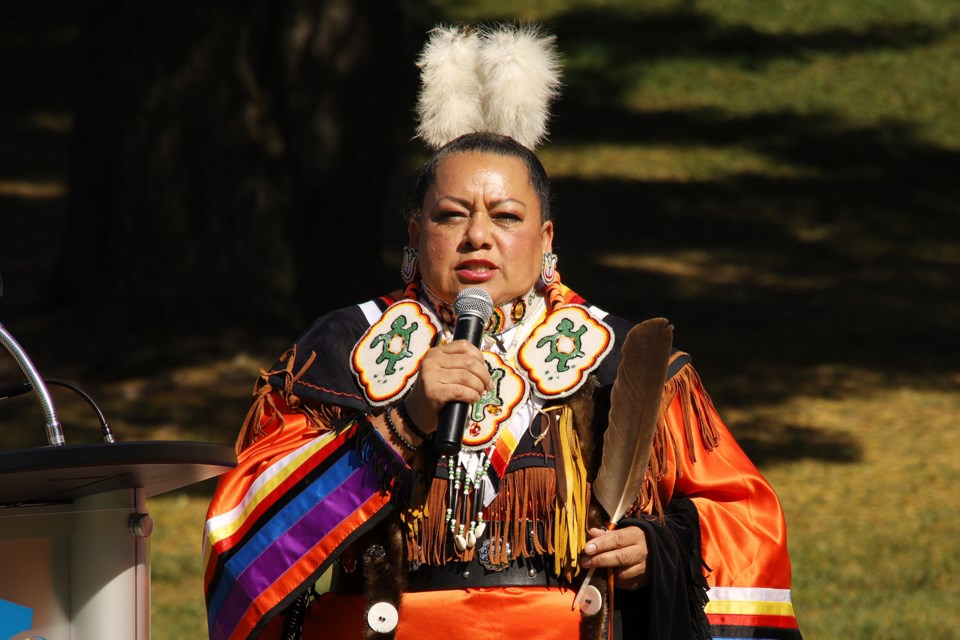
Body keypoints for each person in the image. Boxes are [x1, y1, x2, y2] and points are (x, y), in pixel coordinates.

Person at [203, 25, 802, 640]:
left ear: (545, 241)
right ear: (414, 235)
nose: (478, 236)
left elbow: (743, 518)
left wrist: (658, 553)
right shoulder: (337, 353)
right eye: (451, 215)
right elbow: (243, 537)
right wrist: (399, 424)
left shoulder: (624, 361)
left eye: (507, 216)